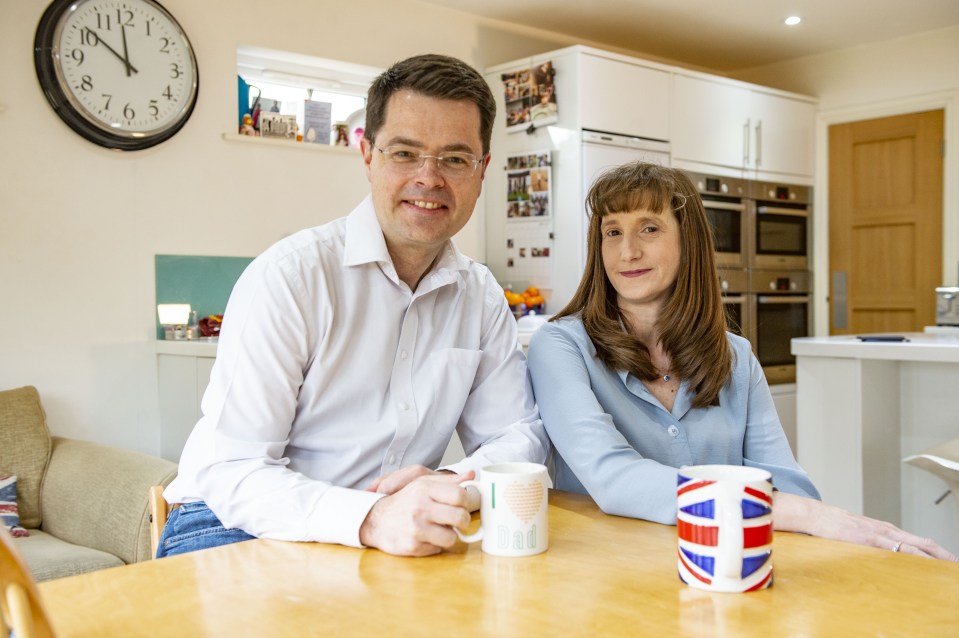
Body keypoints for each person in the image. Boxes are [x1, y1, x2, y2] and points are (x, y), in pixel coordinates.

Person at [159, 54, 549, 559]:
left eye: (455, 159)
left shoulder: (480, 297)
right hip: (232, 524)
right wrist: (370, 518)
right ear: (367, 155)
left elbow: (519, 436)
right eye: (405, 153)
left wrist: (452, 483)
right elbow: (233, 471)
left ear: (482, 172)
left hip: (378, 540)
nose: (429, 178)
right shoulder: (291, 278)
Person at [527, 161, 957, 561]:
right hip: (608, 573)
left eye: (649, 228)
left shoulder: (735, 355)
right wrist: (804, 513)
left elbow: (788, 483)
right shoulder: (562, 347)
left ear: (688, 240)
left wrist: (801, 512)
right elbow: (613, 478)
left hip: (729, 569)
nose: (628, 252)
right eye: (612, 232)